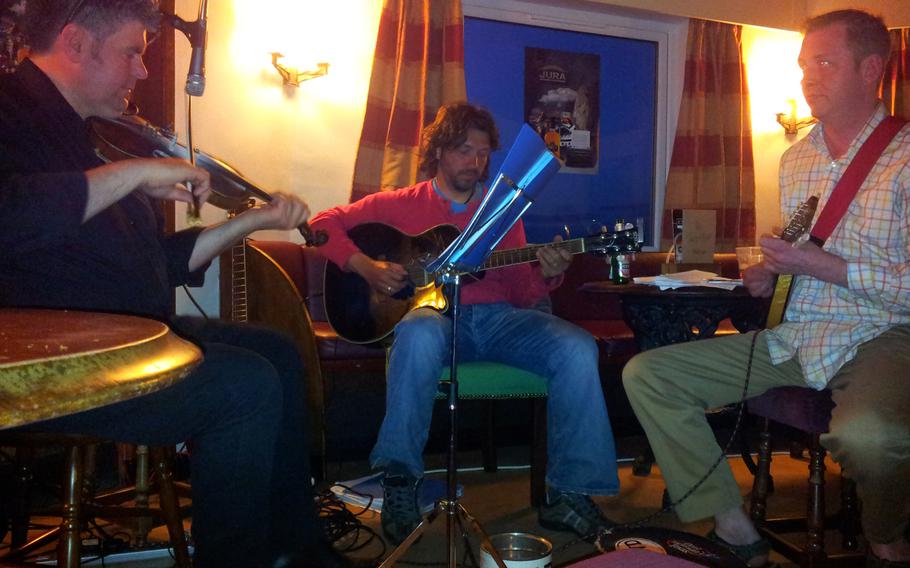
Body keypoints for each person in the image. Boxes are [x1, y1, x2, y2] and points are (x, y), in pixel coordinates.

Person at [0, 1, 347, 566]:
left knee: (277, 351)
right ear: (76, 44)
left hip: (128, 339)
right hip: (52, 365)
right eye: (132, 52)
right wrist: (132, 174)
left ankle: (293, 549)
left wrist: (251, 221)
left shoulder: (84, 138)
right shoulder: (10, 112)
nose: (142, 70)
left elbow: (157, 265)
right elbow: (11, 215)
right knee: (244, 385)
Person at [622, 9, 910, 567]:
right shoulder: (795, 158)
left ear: (871, 67)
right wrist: (772, 271)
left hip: (885, 335)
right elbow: (803, 250)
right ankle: (735, 528)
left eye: (824, 62)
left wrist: (822, 265)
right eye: (805, 65)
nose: (807, 77)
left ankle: (886, 538)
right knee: (650, 375)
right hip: (798, 335)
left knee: (871, 438)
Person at [309, 102, 620, 544]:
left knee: (577, 347)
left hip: (497, 321)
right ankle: (400, 478)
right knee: (415, 332)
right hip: (434, 320)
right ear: (438, 151)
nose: (474, 163)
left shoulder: (503, 210)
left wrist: (548, 272)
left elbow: (518, 293)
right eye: (463, 150)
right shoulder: (399, 204)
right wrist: (366, 267)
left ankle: (569, 495)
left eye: (482, 153)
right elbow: (321, 225)